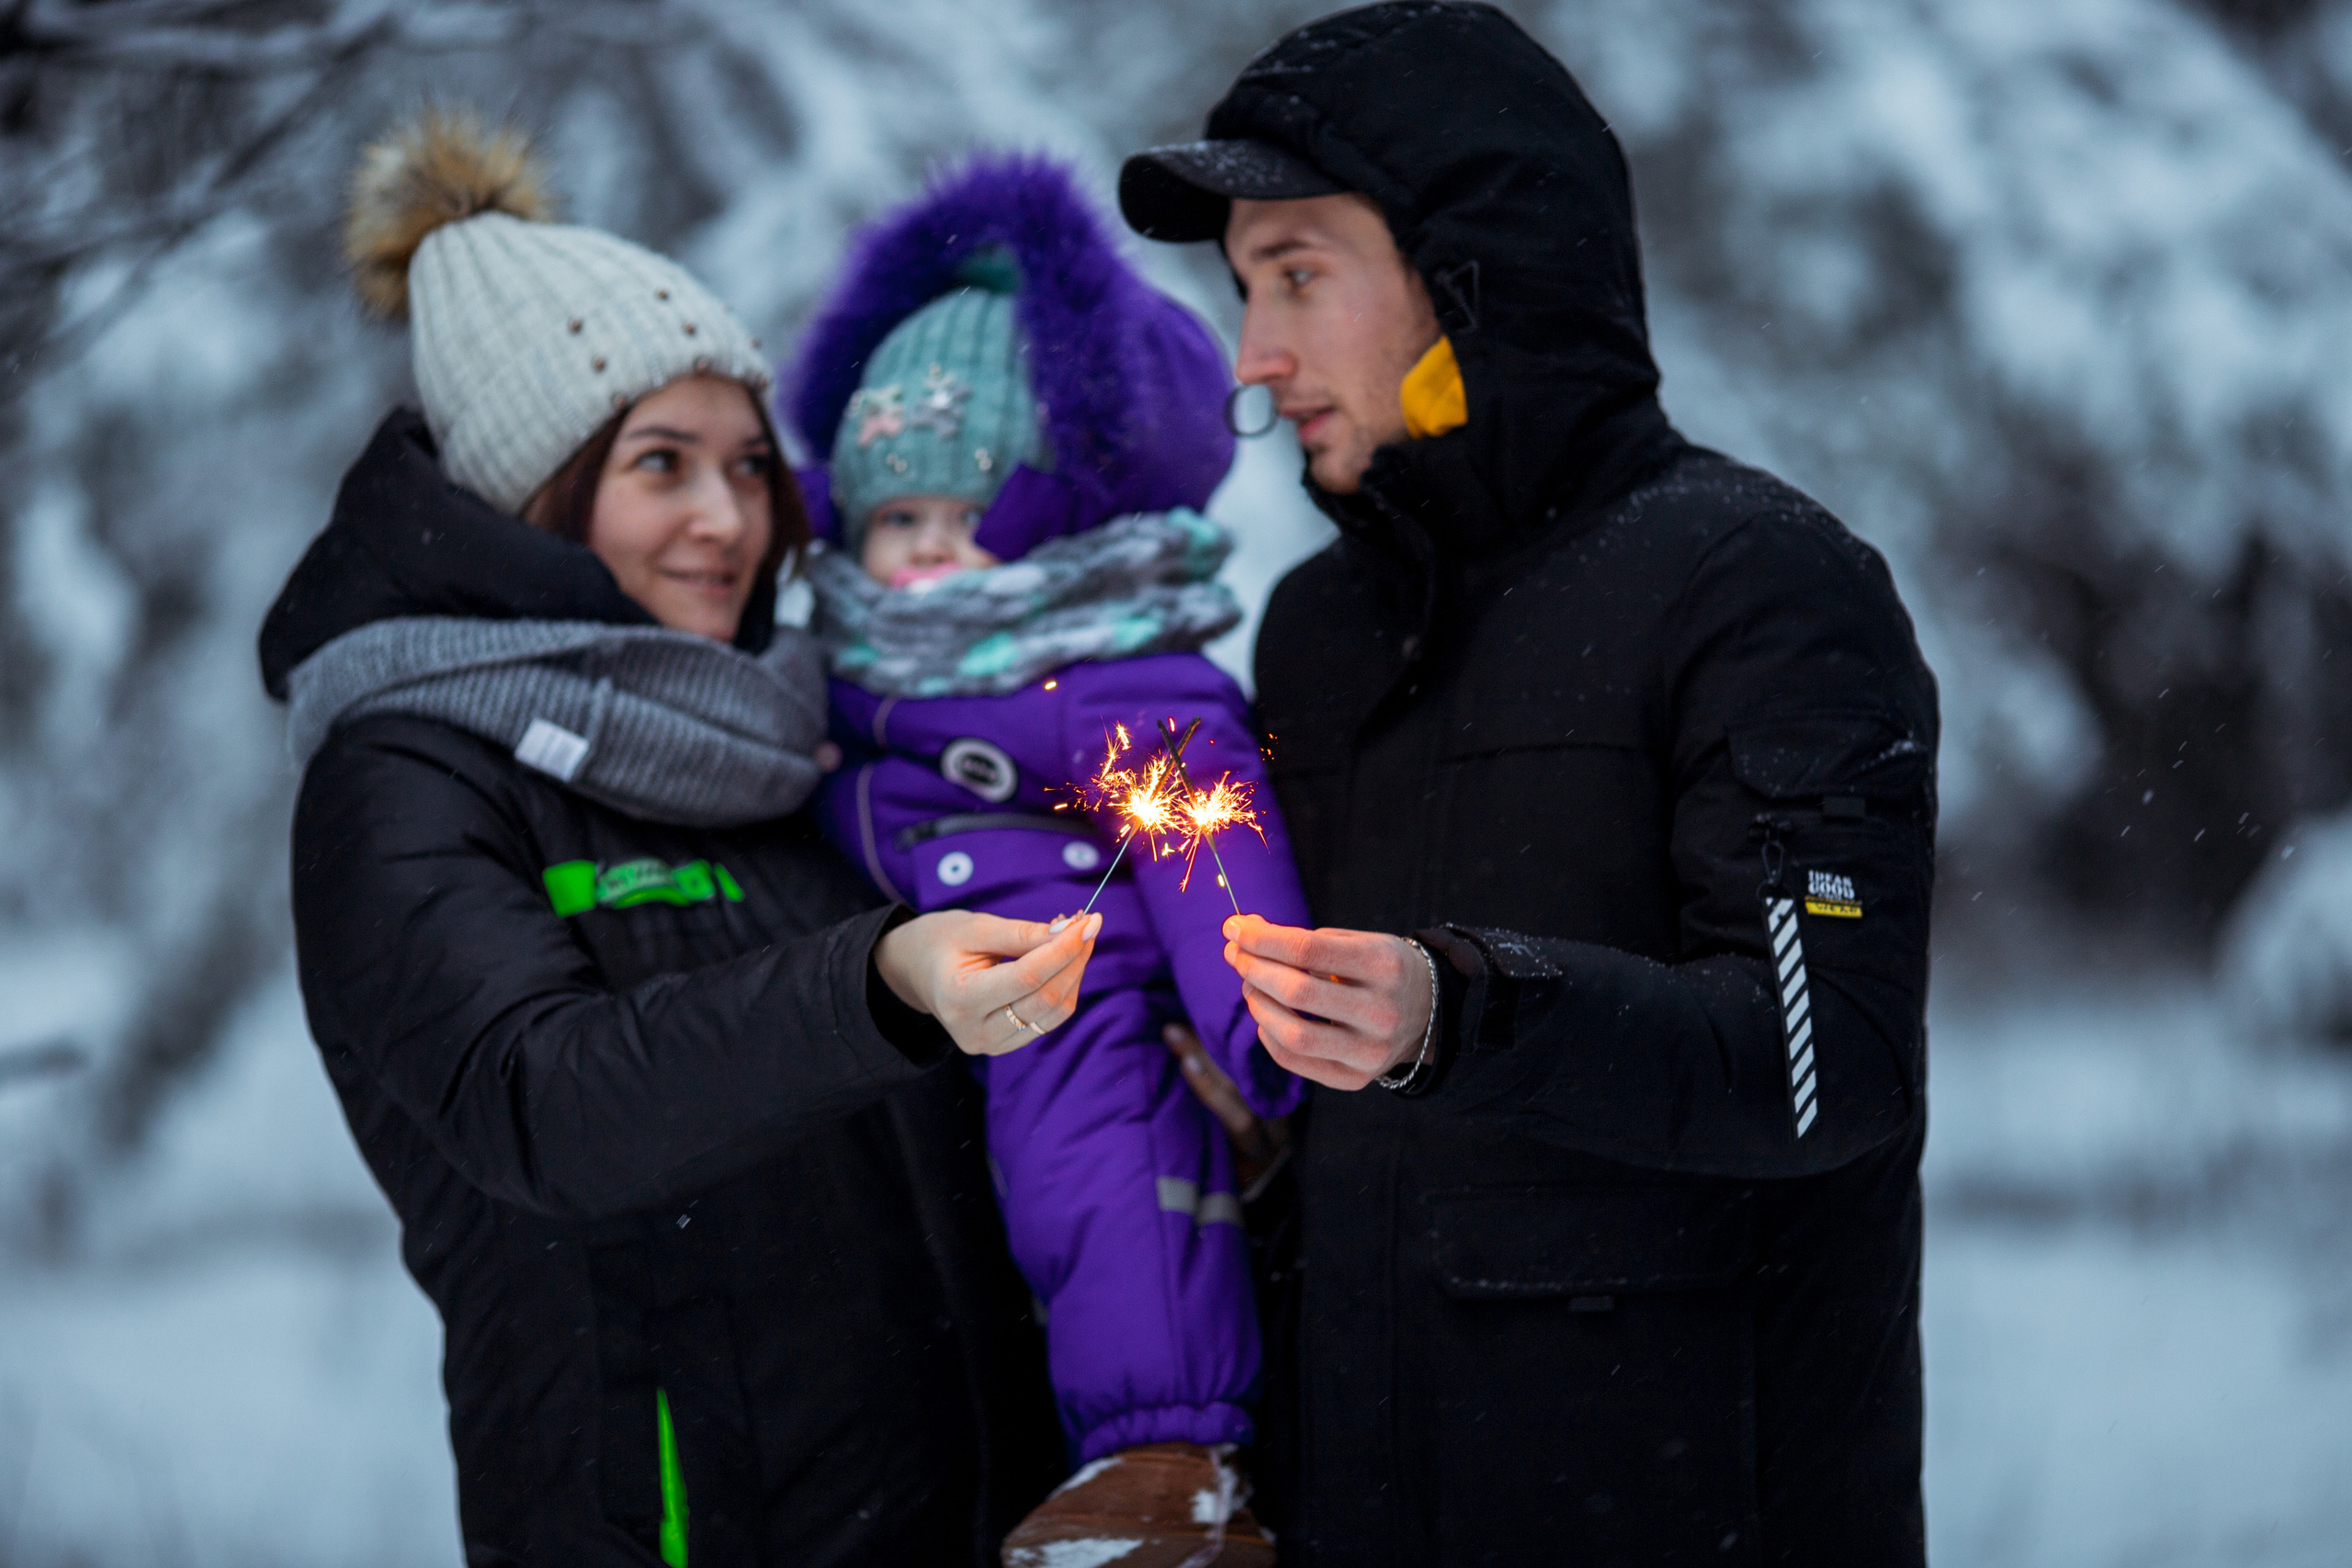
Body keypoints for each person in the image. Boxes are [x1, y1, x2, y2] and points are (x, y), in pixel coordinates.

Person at [1118, 5, 1939, 1563]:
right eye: (1241, 291)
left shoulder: (1762, 589)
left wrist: (1462, 1013)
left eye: (1297, 275)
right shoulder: (1315, 634)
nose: (1254, 360)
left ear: (1471, 274)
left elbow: (1828, 1067)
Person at [260, 110, 1096, 1566]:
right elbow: (546, 1106)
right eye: (662, 464)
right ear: (536, 489)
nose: (727, 518)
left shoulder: (791, 735)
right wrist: (875, 986)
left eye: (749, 464)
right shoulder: (405, 773)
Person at [784, 154, 1307, 1567]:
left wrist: (1264, 1026)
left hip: (1089, 996)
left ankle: (1168, 1455)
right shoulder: (858, 682)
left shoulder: (1099, 681)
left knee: (1108, 1174)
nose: (922, 561)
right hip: (957, 1015)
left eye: (963, 519)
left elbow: (1202, 836)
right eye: (895, 522)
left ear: (1055, 521)